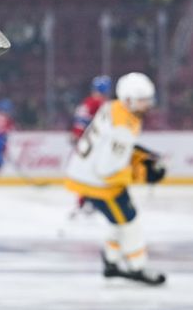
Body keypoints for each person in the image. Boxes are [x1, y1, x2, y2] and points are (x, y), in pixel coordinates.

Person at [64, 72, 167, 286]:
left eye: (148, 99)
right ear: (128, 99)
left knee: (118, 220)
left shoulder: (113, 106)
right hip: (98, 184)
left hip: (85, 173)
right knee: (130, 223)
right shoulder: (124, 127)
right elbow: (107, 170)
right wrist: (143, 174)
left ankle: (111, 262)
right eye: (142, 100)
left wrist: (138, 155)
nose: (147, 105)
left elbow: (109, 147)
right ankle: (138, 267)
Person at [69, 75, 111, 214]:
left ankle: (85, 202)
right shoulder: (97, 103)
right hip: (93, 144)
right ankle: (87, 202)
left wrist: (76, 135)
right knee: (93, 173)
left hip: (87, 143)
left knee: (87, 172)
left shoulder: (88, 102)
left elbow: (80, 122)